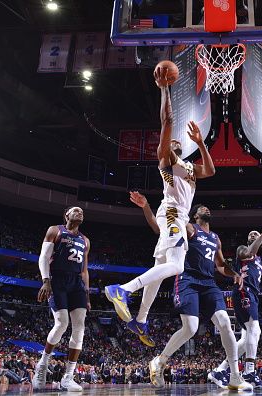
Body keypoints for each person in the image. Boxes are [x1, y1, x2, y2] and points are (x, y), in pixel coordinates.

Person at [104, 66, 215, 346]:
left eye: (178, 141)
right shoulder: (166, 159)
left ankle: (140, 318)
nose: (175, 140)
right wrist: (165, 89)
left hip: (174, 214)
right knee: (177, 266)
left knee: (161, 267)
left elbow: (211, 171)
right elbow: (167, 120)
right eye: (172, 140)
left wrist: (201, 144)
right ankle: (123, 289)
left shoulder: (189, 166)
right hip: (174, 214)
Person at [128, 192, 252, 391]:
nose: (206, 209)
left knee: (225, 324)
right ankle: (160, 361)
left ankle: (235, 376)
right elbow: (161, 229)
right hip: (188, 279)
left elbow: (220, 266)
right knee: (191, 328)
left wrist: (235, 274)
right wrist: (146, 208)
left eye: (207, 208)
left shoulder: (215, 238)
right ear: (195, 215)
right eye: (202, 208)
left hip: (209, 283)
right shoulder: (189, 228)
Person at [209, 226, 262, 390]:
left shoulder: (259, 259)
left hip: (253, 295)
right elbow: (249, 252)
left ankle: (220, 371)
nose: (254, 234)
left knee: (247, 340)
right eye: (251, 234)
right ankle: (249, 373)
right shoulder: (243, 250)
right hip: (243, 291)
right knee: (255, 329)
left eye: (256, 233)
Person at [33, 206, 91, 391]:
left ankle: (68, 376)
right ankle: (42, 364)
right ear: (66, 215)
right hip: (57, 279)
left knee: (80, 325)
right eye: (75, 210)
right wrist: (45, 280)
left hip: (76, 283)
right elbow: (44, 256)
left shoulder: (85, 240)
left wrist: (87, 293)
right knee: (61, 323)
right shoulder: (55, 230)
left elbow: (84, 270)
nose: (79, 212)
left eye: (82, 211)